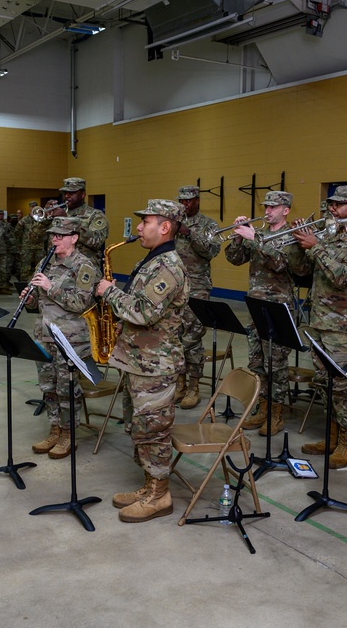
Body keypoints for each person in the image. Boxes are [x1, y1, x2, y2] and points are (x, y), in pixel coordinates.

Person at [96, 199, 187, 523]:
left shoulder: (168, 266)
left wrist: (108, 291)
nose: (137, 227)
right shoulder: (152, 260)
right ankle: (149, 485)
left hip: (155, 366)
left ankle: (160, 495)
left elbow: (143, 311)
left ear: (164, 227)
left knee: (154, 431)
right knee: (139, 426)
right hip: (139, 360)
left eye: (144, 221)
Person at [290, 186, 347, 469]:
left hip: (346, 326)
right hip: (321, 321)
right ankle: (331, 437)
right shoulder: (329, 236)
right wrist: (299, 243)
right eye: (332, 203)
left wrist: (315, 247)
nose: (332, 208)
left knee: (344, 387)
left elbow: (341, 277)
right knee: (325, 384)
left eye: (340, 204)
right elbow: (304, 271)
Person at [224, 190, 303, 436]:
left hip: (279, 307)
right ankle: (262, 408)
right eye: (266, 206)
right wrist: (238, 238)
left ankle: (276, 414)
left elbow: (281, 263)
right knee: (256, 361)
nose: (267, 211)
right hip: (256, 306)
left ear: (286, 210)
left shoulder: (292, 235)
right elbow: (234, 259)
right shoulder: (259, 234)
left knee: (275, 364)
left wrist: (255, 236)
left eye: (273, 207)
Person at [26, 217, 100, 459]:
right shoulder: (44, 262)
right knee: (48, 387)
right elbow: (39, 300)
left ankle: (69, 433)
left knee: (67, 388)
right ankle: (55, 428)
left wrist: (50, 287)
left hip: (71, 338)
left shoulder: (84, 266)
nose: (54, 239)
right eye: (52, 234)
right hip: (45, 334)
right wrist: (30, 298)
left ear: (74, 238)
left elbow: (82, 303)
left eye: (60, 235)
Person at [173, 184, 221, 408]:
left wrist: (188, 232)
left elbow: (211, 251)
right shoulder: (172, 222)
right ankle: (179, 383)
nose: (184, 204)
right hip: (174, 286)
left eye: (189, 200)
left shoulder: (208, 224)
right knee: (175, 336)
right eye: (181, 200)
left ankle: (194, 386)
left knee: (192, 337)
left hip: (197, 287)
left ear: (197, 200)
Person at [48, 178, 108, 265]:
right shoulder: (58, 213)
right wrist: (44, 220)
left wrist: (67, 221)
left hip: (83, 267)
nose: (67, 196)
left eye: (71, 193)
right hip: (57, 266)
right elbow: (38, 238)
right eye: (65, 193)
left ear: (83, 195)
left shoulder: (96, 215)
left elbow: (97, 241)